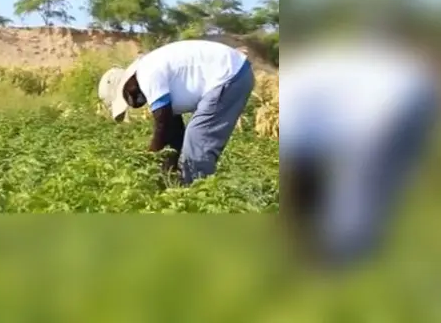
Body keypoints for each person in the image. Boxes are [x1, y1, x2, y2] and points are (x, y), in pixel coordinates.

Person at [279, 37, 438, 268]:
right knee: (360, 187)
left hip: (362, 120)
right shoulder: (406, 82)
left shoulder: (407, 80)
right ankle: (339, 249)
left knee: (353, 188)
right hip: (358, 121)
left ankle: (336, 251)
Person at [99, 40, 255, 185]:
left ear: (128, 86)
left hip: (230, 75)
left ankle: (197, 195)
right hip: (234, 72)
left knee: (197, 142)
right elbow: (175, 132)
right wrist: (169, 169)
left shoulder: (147, 74)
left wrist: (150, 160)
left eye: (127, 99)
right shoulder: (153, 73)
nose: (133, 104)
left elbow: (163, 124)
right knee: (192, 141)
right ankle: (191, 187)